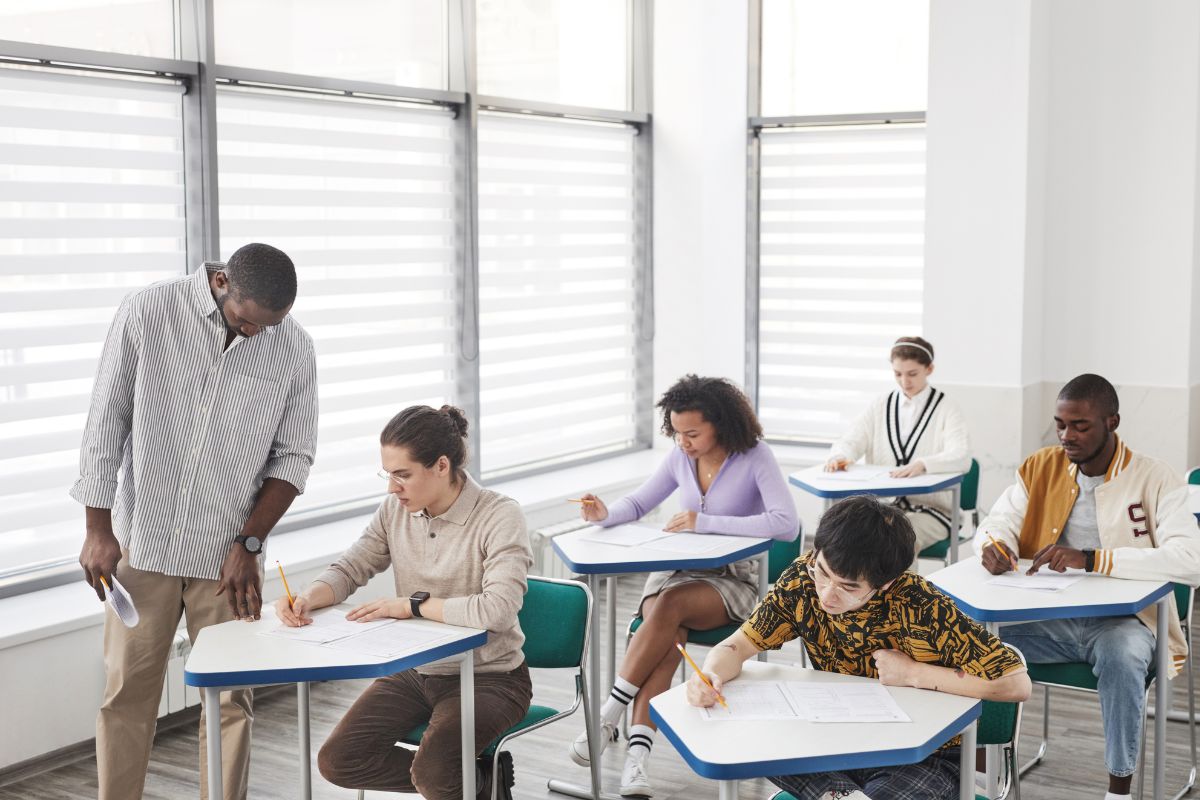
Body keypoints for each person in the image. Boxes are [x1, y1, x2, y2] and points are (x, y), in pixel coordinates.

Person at [72, 243, 317, 800]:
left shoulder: (295, 347)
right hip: (143, 547)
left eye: (270, 326)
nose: (257, 334)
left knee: (233, 700)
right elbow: (105, 423)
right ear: (223, 282)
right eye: (247, 322)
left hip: (227, 559)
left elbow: (294, 456)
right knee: (127, 695)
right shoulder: (148, 312)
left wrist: (250, 542)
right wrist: (96, 528)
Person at [687, 495, 1031, 800]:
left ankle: (835, 793)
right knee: (756, 741)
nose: (827, 594)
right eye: (822, 572)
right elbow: (737, 645)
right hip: (838, 744)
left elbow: (1016, 683)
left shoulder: (921, 604)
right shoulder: (801, 581)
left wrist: (914, 673)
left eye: (848, 587)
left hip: (921, 755)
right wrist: (710, 674)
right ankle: (842, 794)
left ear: (887, 583)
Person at [276, 405, 533, 800]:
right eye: (388, 474)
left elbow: (496, 611)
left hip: (490, 677)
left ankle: (460, 781)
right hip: (416, 671)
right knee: (339, 761)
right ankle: (480, 781)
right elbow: (352, 566)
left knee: (434, 773)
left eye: (403, 475)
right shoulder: (395, 510)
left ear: (441, 466)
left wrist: (412, 606)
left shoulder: (500, 515)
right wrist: (310, 596)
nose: (392, 488)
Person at [568, 374, 799, 798]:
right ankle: (636, 761)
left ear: (721, 424)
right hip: (676, 570)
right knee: (667, 631)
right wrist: (604, 513)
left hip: (731, 577)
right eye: (676, 433)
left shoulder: (754, 456)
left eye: (692, 433)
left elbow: (787, 524)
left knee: (668, 608)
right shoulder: (680, 458)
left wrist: (704, 522)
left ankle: (607, 714)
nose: (684, 442)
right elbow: (639, 503)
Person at [976, 373, 1200, 800]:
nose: (1067, 436)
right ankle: (985, 773)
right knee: (974, 639)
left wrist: (1094, 558)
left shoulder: (1156, 477)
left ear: (1111, 422)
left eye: (1080, 425)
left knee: (1121, 653)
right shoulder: (1040, 467)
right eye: (1061, 424)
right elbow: (996, 522)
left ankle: (1118, 790)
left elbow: (1193, 559)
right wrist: (995, 545)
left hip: (1126, 622)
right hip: (1047, 618)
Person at [825, 336, 971, 557]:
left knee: (899, 541)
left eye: (912, 374)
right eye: (898, 374)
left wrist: (923, 464)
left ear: (929, 369)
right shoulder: (880, 404)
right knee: (848, 537)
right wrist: (840, 455)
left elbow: (961, 456)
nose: (905, 381)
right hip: (883, 509)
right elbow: (852, 439)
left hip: (935, 512)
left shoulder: (947, 408)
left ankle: (902, 593)